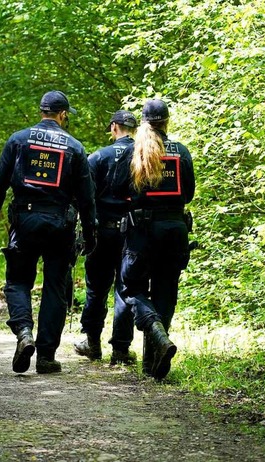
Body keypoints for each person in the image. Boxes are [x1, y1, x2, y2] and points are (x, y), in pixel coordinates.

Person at [0, 90, 96, 374]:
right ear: (63, 114)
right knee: (55, 288)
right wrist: (90, 233)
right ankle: (45, 356)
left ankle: (23, 333)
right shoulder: (74, 147)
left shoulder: (18, 140)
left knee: (18, 280)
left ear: (41, 111)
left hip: (25, 220)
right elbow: (86, 198)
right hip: (60, 225)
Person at [111, 99, 195, 380]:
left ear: (144, 123)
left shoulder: (133, 151)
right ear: (167, 122)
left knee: (131, 287)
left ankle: (155, 332)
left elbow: (119, 190)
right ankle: (152, 361)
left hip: (142, 232)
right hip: (175, 229)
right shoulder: (181, 152)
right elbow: (190, 193)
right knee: (165, 292)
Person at [73, 110, 138, 365]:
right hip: (131, 233)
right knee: (126, 288)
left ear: (114, 127)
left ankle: (92, 342)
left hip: (101, 232)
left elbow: (84, 197)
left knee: (96, 288)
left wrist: (83, 231)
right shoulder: (144, 156)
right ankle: (121, 349)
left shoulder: (98, 156)